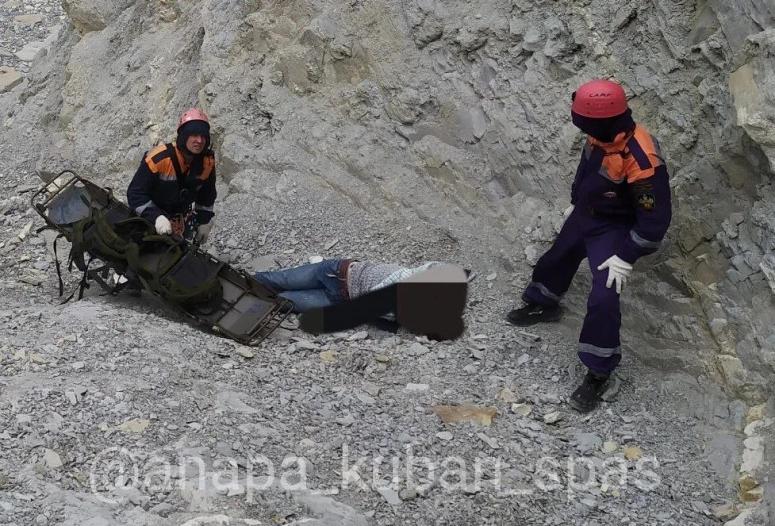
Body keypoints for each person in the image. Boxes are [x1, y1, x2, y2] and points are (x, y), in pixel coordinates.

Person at [506, 79, 672, 413]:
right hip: (588, 212)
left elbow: (654, 223)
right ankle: (543, 302)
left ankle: (599, 370)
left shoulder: (642, 160)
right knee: (559, 255)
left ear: (601, 119)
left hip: (614, 228)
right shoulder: (602, 134)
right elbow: (587, 167)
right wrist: (575, 201)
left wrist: (625, 255)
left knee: (604, 296)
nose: (581, 128)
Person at [254, 259, 470, 339]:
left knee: (282, 302)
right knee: (276, 280)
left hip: (338, 301)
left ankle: (241, 308)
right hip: (337, 272)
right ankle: (234, 281)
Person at [127, 108, 216, 244]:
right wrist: (156, 217)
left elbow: (206, 196)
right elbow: (135, 194)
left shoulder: (207, 163)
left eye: (203, 136)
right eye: (194, 134)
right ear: (184, 135)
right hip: (149, 218)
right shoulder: (159, 159)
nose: (199, 140)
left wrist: (204, 222)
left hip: (179, 219)